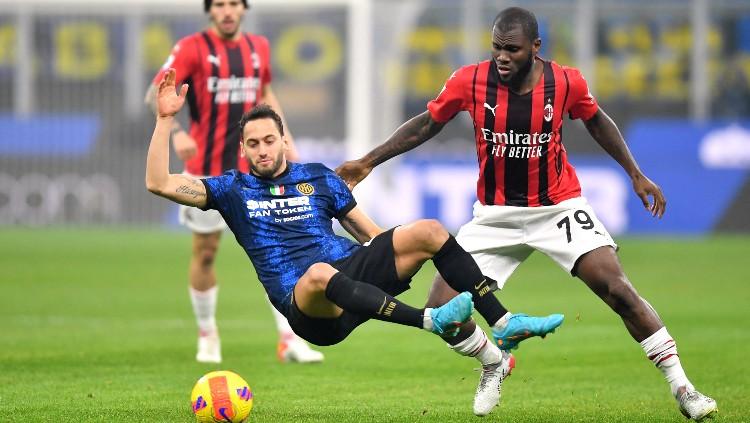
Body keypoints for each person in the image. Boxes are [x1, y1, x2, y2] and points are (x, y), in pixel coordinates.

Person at [336, 7, 717, 421]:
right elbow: (427, 124)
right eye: (497, 47)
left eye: (512, 49)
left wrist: (635, 173)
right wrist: (369, 161)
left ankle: (683, 388)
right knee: (444, 310)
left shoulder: (566, 81)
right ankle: (494, 361)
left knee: (618, 289)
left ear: (535, 48)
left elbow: (597, 121)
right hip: (494, 216)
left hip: (558, 207)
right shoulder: (470, 80)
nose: (502, 56)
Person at [146, 68, 561, 414]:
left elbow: (372, 235)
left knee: (429, 231)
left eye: (269, 140)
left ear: (283, 140)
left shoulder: (319, 178)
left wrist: (405, 255)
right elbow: (159, 183)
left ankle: (502, 328)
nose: (262, 150)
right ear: (243, 149)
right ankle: (429, 320)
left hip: (354, 279)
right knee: (317, 273)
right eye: (253, 144)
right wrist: (165, 120)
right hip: (311, 308)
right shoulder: (231, 190)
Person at [144, 0, 323, 364]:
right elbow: (155, 94)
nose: (227, 11)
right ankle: (208, 334)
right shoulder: (192, 48)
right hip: (206, 173)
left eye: (234, 4)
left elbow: (266, 93)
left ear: (244, 8)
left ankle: (290, 339)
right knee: (206, 252)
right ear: (210, 10)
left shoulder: (258, 47)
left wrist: (284, 137)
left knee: (279, 251)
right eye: (220, 4)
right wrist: (176, 131)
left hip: (254, 173)